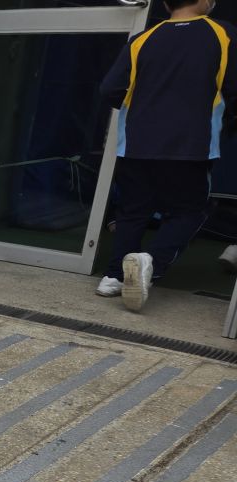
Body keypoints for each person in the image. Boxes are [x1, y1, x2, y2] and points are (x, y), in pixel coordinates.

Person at [97, 0, 237, 311]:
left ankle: (113, 277)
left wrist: (144, 108)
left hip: (136, 143)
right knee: (189, 211)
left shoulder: (143, 38)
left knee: (132, 211)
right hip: (191, 145)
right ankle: (150, 261)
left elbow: (110, 89)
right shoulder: (223, 34)